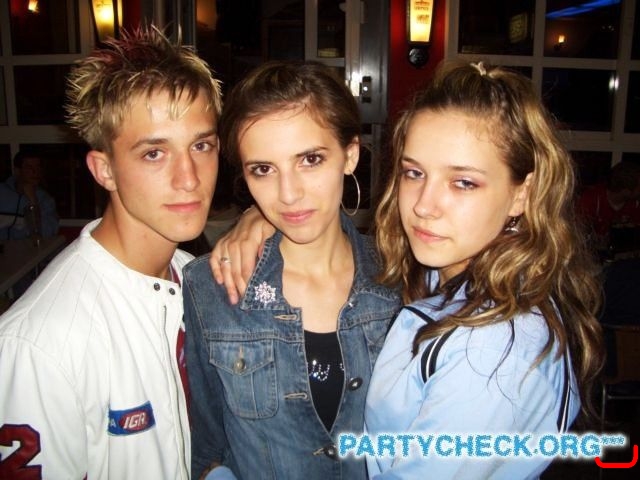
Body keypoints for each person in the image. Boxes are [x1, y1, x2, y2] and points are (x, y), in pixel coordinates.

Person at [363, 60, 604, 479]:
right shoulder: (460, 275)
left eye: (463, 182)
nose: (423, 205)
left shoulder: (489, 348)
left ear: (521, 194)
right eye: (414, 173)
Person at [0, 27, 222, 479]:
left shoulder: (201, 281)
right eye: (154, 153)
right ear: (104, 170)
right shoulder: (41, 344)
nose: (189, 177)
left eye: (201, 146)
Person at [182, 60, 401, 480]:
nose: (288, 194)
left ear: (350, 154)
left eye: (310, 159)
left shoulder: (401, 280)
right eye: (263, 169)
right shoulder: (210, 288)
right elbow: (206, 446)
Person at [577, 160, 640, 252]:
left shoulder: (635, 204)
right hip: (592, 253)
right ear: (626, 190)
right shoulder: (591, 199)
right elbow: (578, 235)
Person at [0, 150, 59, 240]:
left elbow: (48, 232)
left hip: (27, 248)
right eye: (29, 167)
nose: (35, 172)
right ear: (17, 171)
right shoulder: (2, 192)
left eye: (38, 167)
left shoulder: (45, 199)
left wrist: (33, 201)